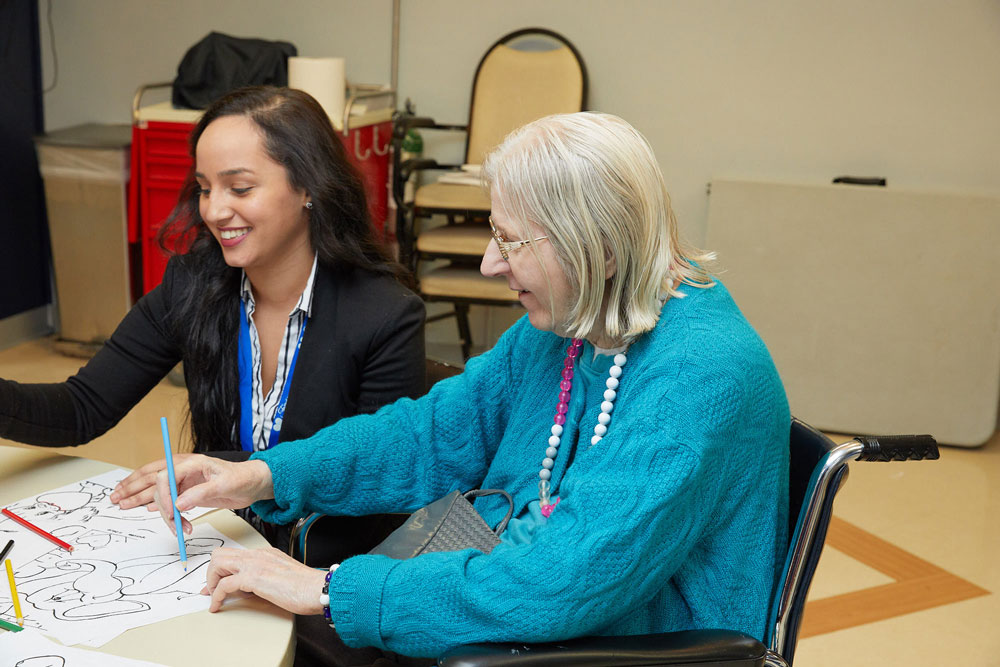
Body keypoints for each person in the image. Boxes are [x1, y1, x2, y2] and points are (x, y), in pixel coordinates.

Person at [155, 112, 790, 664]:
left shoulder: (700, 374)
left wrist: (327, 588)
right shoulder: (573, 321)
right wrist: (266, 474)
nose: (490, 262)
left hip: (609, 645)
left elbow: (559, 584)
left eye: (511, 240)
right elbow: (428, 434)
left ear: (597, 247)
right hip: (519, 606)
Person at [0, 86, 426, 550]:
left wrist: (220, 467)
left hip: (321, 570)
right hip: (218, 546)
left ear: (307, 187)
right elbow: (80, 408)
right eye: (204, 188)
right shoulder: (193, 285)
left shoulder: (385, 315)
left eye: (239, 188)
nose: (214, 210)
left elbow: (378, 476)